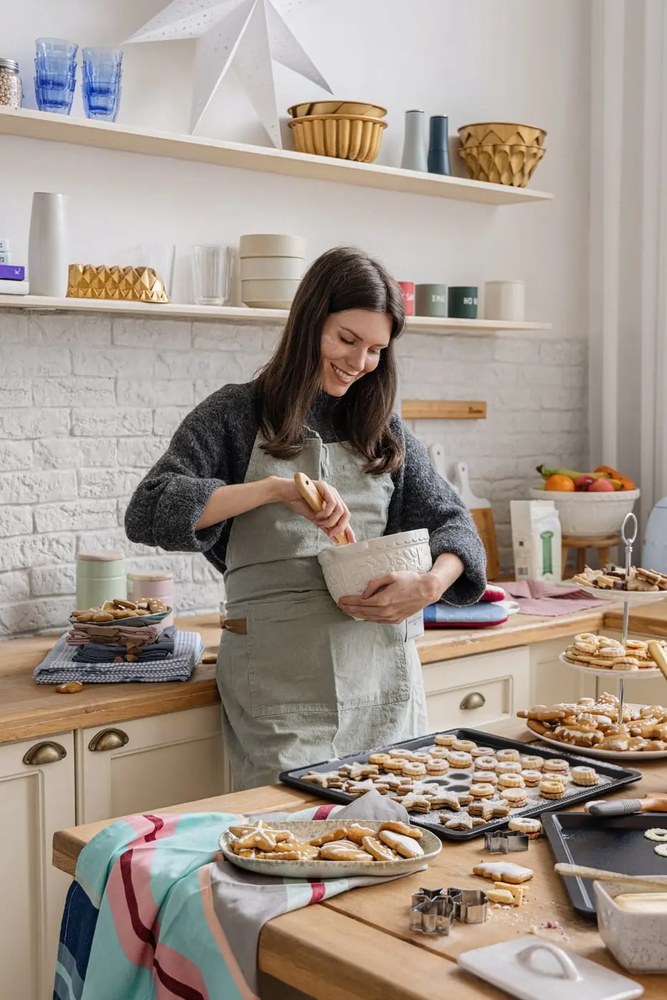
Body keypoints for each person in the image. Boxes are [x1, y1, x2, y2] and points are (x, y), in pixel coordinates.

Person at [125, 246, 486, 789]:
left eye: (374, 350)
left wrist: (431, 585)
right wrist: (270, 491)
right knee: (289, 846)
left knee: (395, 852)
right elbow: (149, 508)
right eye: (346, 339)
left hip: (384, 686)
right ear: (309, 322)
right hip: (277, 694)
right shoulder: (236, 413)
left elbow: (455, 526)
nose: (359, 363)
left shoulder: (378, 426)